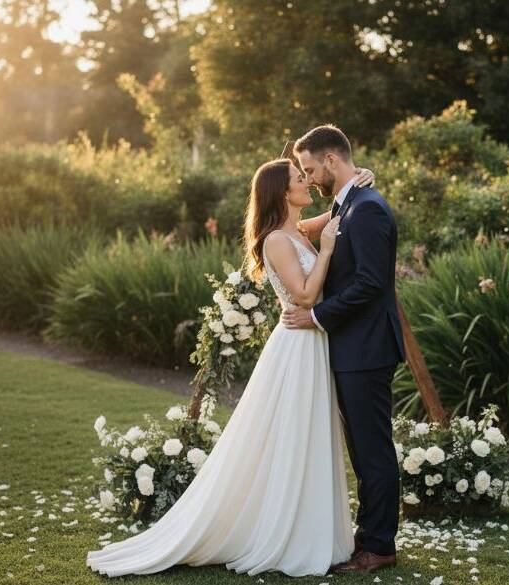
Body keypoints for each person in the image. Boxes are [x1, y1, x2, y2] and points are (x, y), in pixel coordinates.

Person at [85, 158, 376, 577]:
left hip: (312, 345)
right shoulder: (277, 240)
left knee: (309, 435)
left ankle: (310, 529)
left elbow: (336, 212)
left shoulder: (296, 230)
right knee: (291, 435)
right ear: (281, 192)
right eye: (300, 179)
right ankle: (284, 533)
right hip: (297, 346)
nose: (308, 183)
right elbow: (307, 296)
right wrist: (328, 249)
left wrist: (360, 179)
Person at [282, 124, 406, 573]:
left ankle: (379, 545)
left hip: (367, 349)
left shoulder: (368, 208)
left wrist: (315, 316)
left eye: (312, 168)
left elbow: (372, 283)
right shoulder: (349, 203)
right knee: (363, 448)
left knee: (372, 449)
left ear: (332, 160)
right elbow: (297, 231)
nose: (309, 177)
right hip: (352, 348)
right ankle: (368, 537)